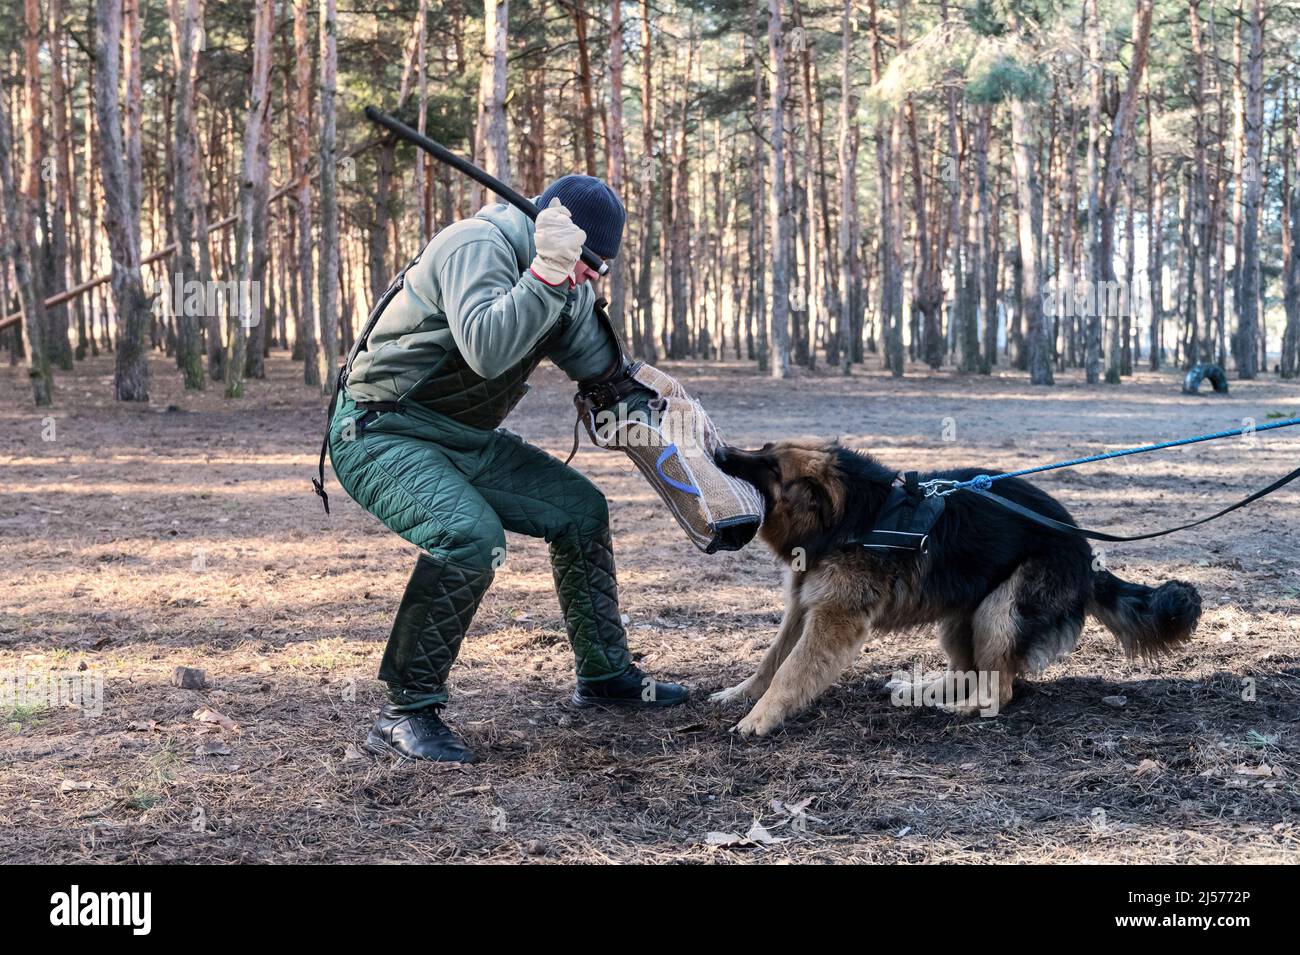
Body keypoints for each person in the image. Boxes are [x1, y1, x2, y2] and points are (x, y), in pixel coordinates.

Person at [325, 175, 688, 763]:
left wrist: (679, 431)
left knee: (580, 512)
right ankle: (405, 712)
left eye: (598, 271)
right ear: (557, 238)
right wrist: (547, 273)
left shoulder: (567, 278)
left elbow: (603, 372)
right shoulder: (479, 245)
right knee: (467, 537)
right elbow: (487, 347)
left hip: (467, 439)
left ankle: (604, 678)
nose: (588, 279)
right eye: (586, 264)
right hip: (379, 432)